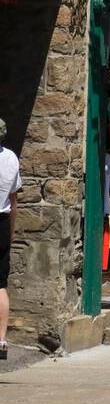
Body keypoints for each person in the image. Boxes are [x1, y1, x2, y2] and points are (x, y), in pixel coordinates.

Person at [0, 118, 20, 363]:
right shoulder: (12, 159)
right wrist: (12, 231)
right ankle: (1, 339)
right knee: (0, 284)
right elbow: (14, 200)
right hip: (2, 222)